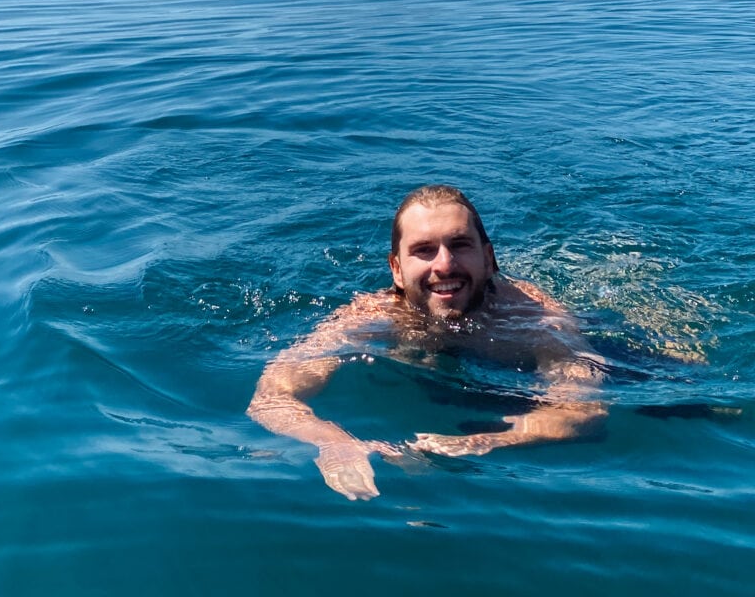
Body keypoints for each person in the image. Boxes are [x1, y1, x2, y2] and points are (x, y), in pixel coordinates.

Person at [247, 184, 606, 500]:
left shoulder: (535, 319)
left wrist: (486, 441)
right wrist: (334, 442)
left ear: (489, 258)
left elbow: (583, 410)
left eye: (460, 245)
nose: (444, 265)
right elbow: (270, 397)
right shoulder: (371, 316)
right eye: (424, 250)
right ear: (397, 271)